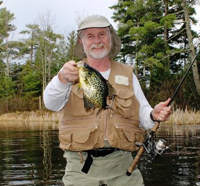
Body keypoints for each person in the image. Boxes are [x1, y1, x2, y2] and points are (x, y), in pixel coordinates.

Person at [43, 15, 172, 186]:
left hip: (123, 165)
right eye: (90, 36)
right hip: (80, 167)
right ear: (81, 42)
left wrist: (153, 115)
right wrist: (61, 79)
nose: (97, 40)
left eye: (102, 34)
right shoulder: (71, 71)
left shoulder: (127, 74)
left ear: (111, 38)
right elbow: (50, 104)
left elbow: (143, 114)